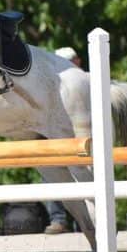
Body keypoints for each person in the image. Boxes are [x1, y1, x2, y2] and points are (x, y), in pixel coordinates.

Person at [41, 46, 82, 234]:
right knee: (49, 170)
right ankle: (58, 219)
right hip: (58, 138)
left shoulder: (84, 81)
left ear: (77, 62)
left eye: (70, 61)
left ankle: (83, 221)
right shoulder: (51, 83)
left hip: (80, 140)